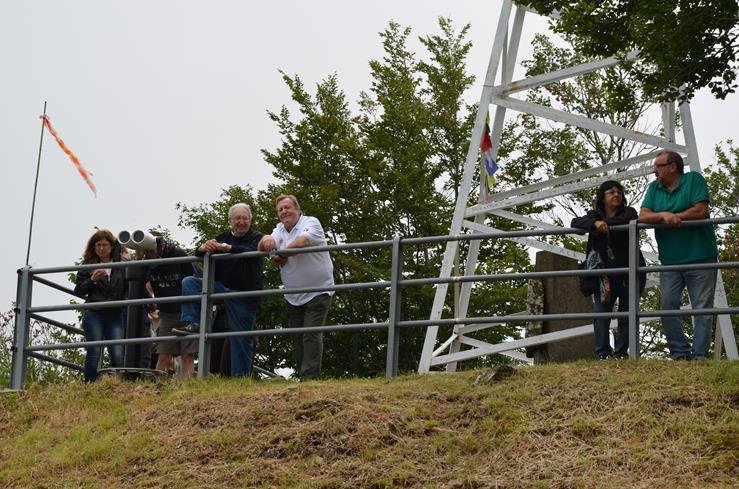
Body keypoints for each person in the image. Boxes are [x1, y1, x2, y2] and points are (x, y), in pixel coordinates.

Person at [639, 150, 718, 360]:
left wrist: (676, 217)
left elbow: (701, 210)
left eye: (658, 166)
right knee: (667, 305)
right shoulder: (654, 188)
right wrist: (664, 215)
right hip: (670, 261)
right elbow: (643, 215)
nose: (654, 170)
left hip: (701, 256)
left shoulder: (693, 180)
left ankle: (699, 356)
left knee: (702, 307)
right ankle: (679, 354)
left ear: (672, 167)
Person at [172, 203, 264, 377]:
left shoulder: (257, 237)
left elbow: (253, 250)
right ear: (230, 221)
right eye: (237, 218)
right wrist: (203, 247)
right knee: (190, 283)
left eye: (245, 218)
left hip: (244, 293)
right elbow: (199, 253)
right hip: (220, 287)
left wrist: (228, 248)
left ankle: (240, 379)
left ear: (250, 220)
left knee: (241, 338)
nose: (241, 222)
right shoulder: (222, 237)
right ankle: (193, 323)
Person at [258, 194, 334, 380]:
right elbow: (263, 247)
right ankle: (304, 378)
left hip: (318, 290)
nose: (284, 211)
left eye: (287, 207)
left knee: (310, 334)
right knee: (297, 337)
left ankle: (309, 379)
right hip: (293, 294)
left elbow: (303, 242)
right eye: (280, 210)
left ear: (298, 209)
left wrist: (282, 253)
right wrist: (265, 239)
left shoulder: (311, 222)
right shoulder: (279, 229)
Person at [572, 180, 645, 360]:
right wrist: (595, 223)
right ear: (602, 197)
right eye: (611, 192)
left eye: (619, 192)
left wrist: (601, 224)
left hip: (629, 274)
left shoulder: (629, 212)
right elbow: (575, 222)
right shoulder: (594, 215)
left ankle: (621, 353)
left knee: (627, 315)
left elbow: (626, 220)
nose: (616, 195)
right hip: (603, 276)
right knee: (601, 315)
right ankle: (603, 354)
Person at [74, 229, 126, 382]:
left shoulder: (122, 264)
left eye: (104, 244)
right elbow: (78, 290)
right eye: (98, 245)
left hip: (115, 314)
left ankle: (119, 385)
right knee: (94, 352)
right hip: (94, 313)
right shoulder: (88, 265)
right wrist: (92, 280)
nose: (101, 248)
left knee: (117, 352)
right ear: (93, 247)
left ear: (112, 246)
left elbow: (130, 286)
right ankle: (90, 385)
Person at [143, 233, 197, 378]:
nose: (149, 253)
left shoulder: (178, 255)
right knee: (164, 354)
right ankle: (159, 387)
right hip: (167, 313)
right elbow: (139, 283)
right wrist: (150, 300)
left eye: (152, 250)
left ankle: (187, 389)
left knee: (187, 355)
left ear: (161, 245)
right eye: (146, 250)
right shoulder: (145, 262)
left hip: (188, 312)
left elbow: (193, 280)